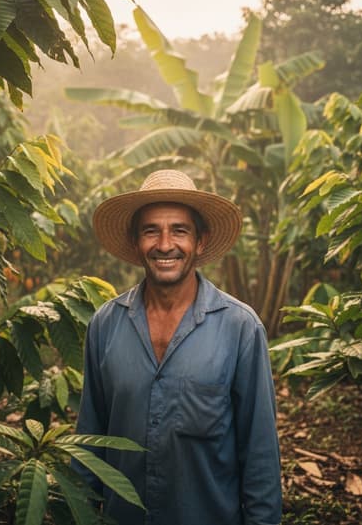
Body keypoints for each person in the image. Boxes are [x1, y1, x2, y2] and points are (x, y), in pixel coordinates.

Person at [74, 169, 282, 525]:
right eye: (151, 230)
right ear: (136, 241)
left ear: (200, 242)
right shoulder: (105, 325)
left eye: (180, 230)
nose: (165, 244)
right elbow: (90, 440)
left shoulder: (240, 328)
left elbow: (259, 452)